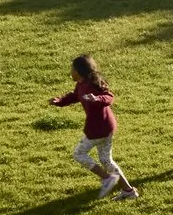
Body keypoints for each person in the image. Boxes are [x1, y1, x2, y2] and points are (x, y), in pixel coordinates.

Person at [52, 55, 139, 199]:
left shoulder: (93, 83)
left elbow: (109, 97)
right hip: (105, 126)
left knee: (79, 154)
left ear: (78, 71)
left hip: (98, 128)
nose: (70, 71)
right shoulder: (81, 84)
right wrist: (60, 101)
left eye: (72, 69)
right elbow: (75, 96)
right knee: (106, 160)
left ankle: (107, 179)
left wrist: (97, 99)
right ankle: (129, 191)